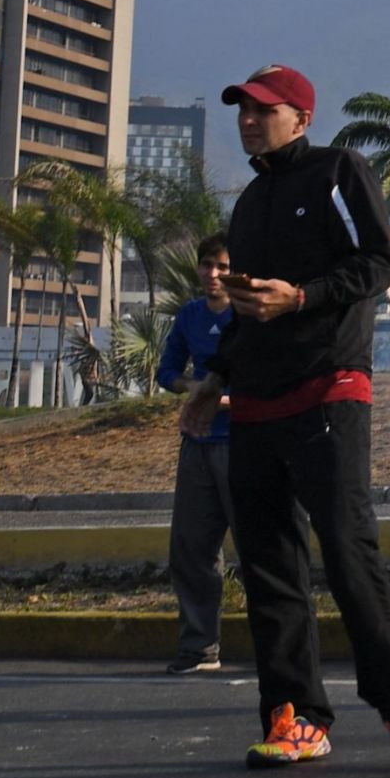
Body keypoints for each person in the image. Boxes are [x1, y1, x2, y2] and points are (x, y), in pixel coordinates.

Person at [178, 64, 390, 770]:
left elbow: (378, 264)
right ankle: (295, 716)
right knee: (267, 566)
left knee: (348, 549)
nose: (247, 121)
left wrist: (300, 297)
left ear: (300, 117)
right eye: (241, 110)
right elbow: (250, 308)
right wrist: (214, 376)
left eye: (263, 110)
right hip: (256, 401)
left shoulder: (337, 170)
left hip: (330, 387)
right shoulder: (250, 204)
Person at [155, 234, 238, 675]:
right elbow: (166, 371)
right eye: (207, 265)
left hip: (243, 443)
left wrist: (223, 398)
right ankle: (200, 648)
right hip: (198, 445)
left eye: (223, 266)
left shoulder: (250, 315)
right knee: (191, 549)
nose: (213, 274)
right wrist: (196, 390)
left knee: (262, 551)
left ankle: (280, 652)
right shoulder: (190, 315)